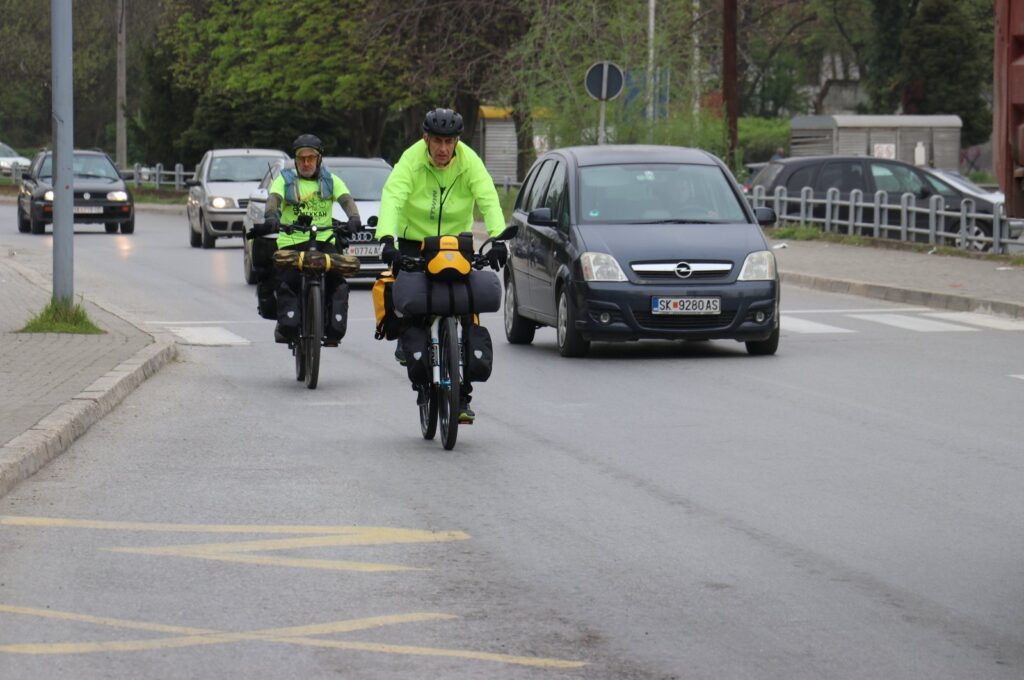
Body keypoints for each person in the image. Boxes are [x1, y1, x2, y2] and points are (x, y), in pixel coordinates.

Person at [375, 108, 508, 424]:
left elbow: (487, 197)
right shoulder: (411, 159)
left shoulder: (469, 161)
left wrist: (499, 238)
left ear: (457, 141)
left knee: (466, 310)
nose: (443, 148)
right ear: (426, 139)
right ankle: (416, 361)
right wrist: (387, 239)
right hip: (414, 241)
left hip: (454, 243)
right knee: (410, 302)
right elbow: (393, 196)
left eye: (449, 141)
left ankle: (462, 397)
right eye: (437, 141)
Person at [256, 133, 361, 345]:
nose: (306, 163)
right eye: (301, 158)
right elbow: (273, 200)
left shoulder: (332, 181)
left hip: (324, 241)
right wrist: (271, 217)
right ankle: (287, 324)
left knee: (337, 282)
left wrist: (354, 217)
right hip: (291, 242)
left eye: (311, 158)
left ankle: (332, 326)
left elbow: (347, 200)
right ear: (295, 160)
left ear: (319, 158)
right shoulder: (284, 180)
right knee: (288, 281)